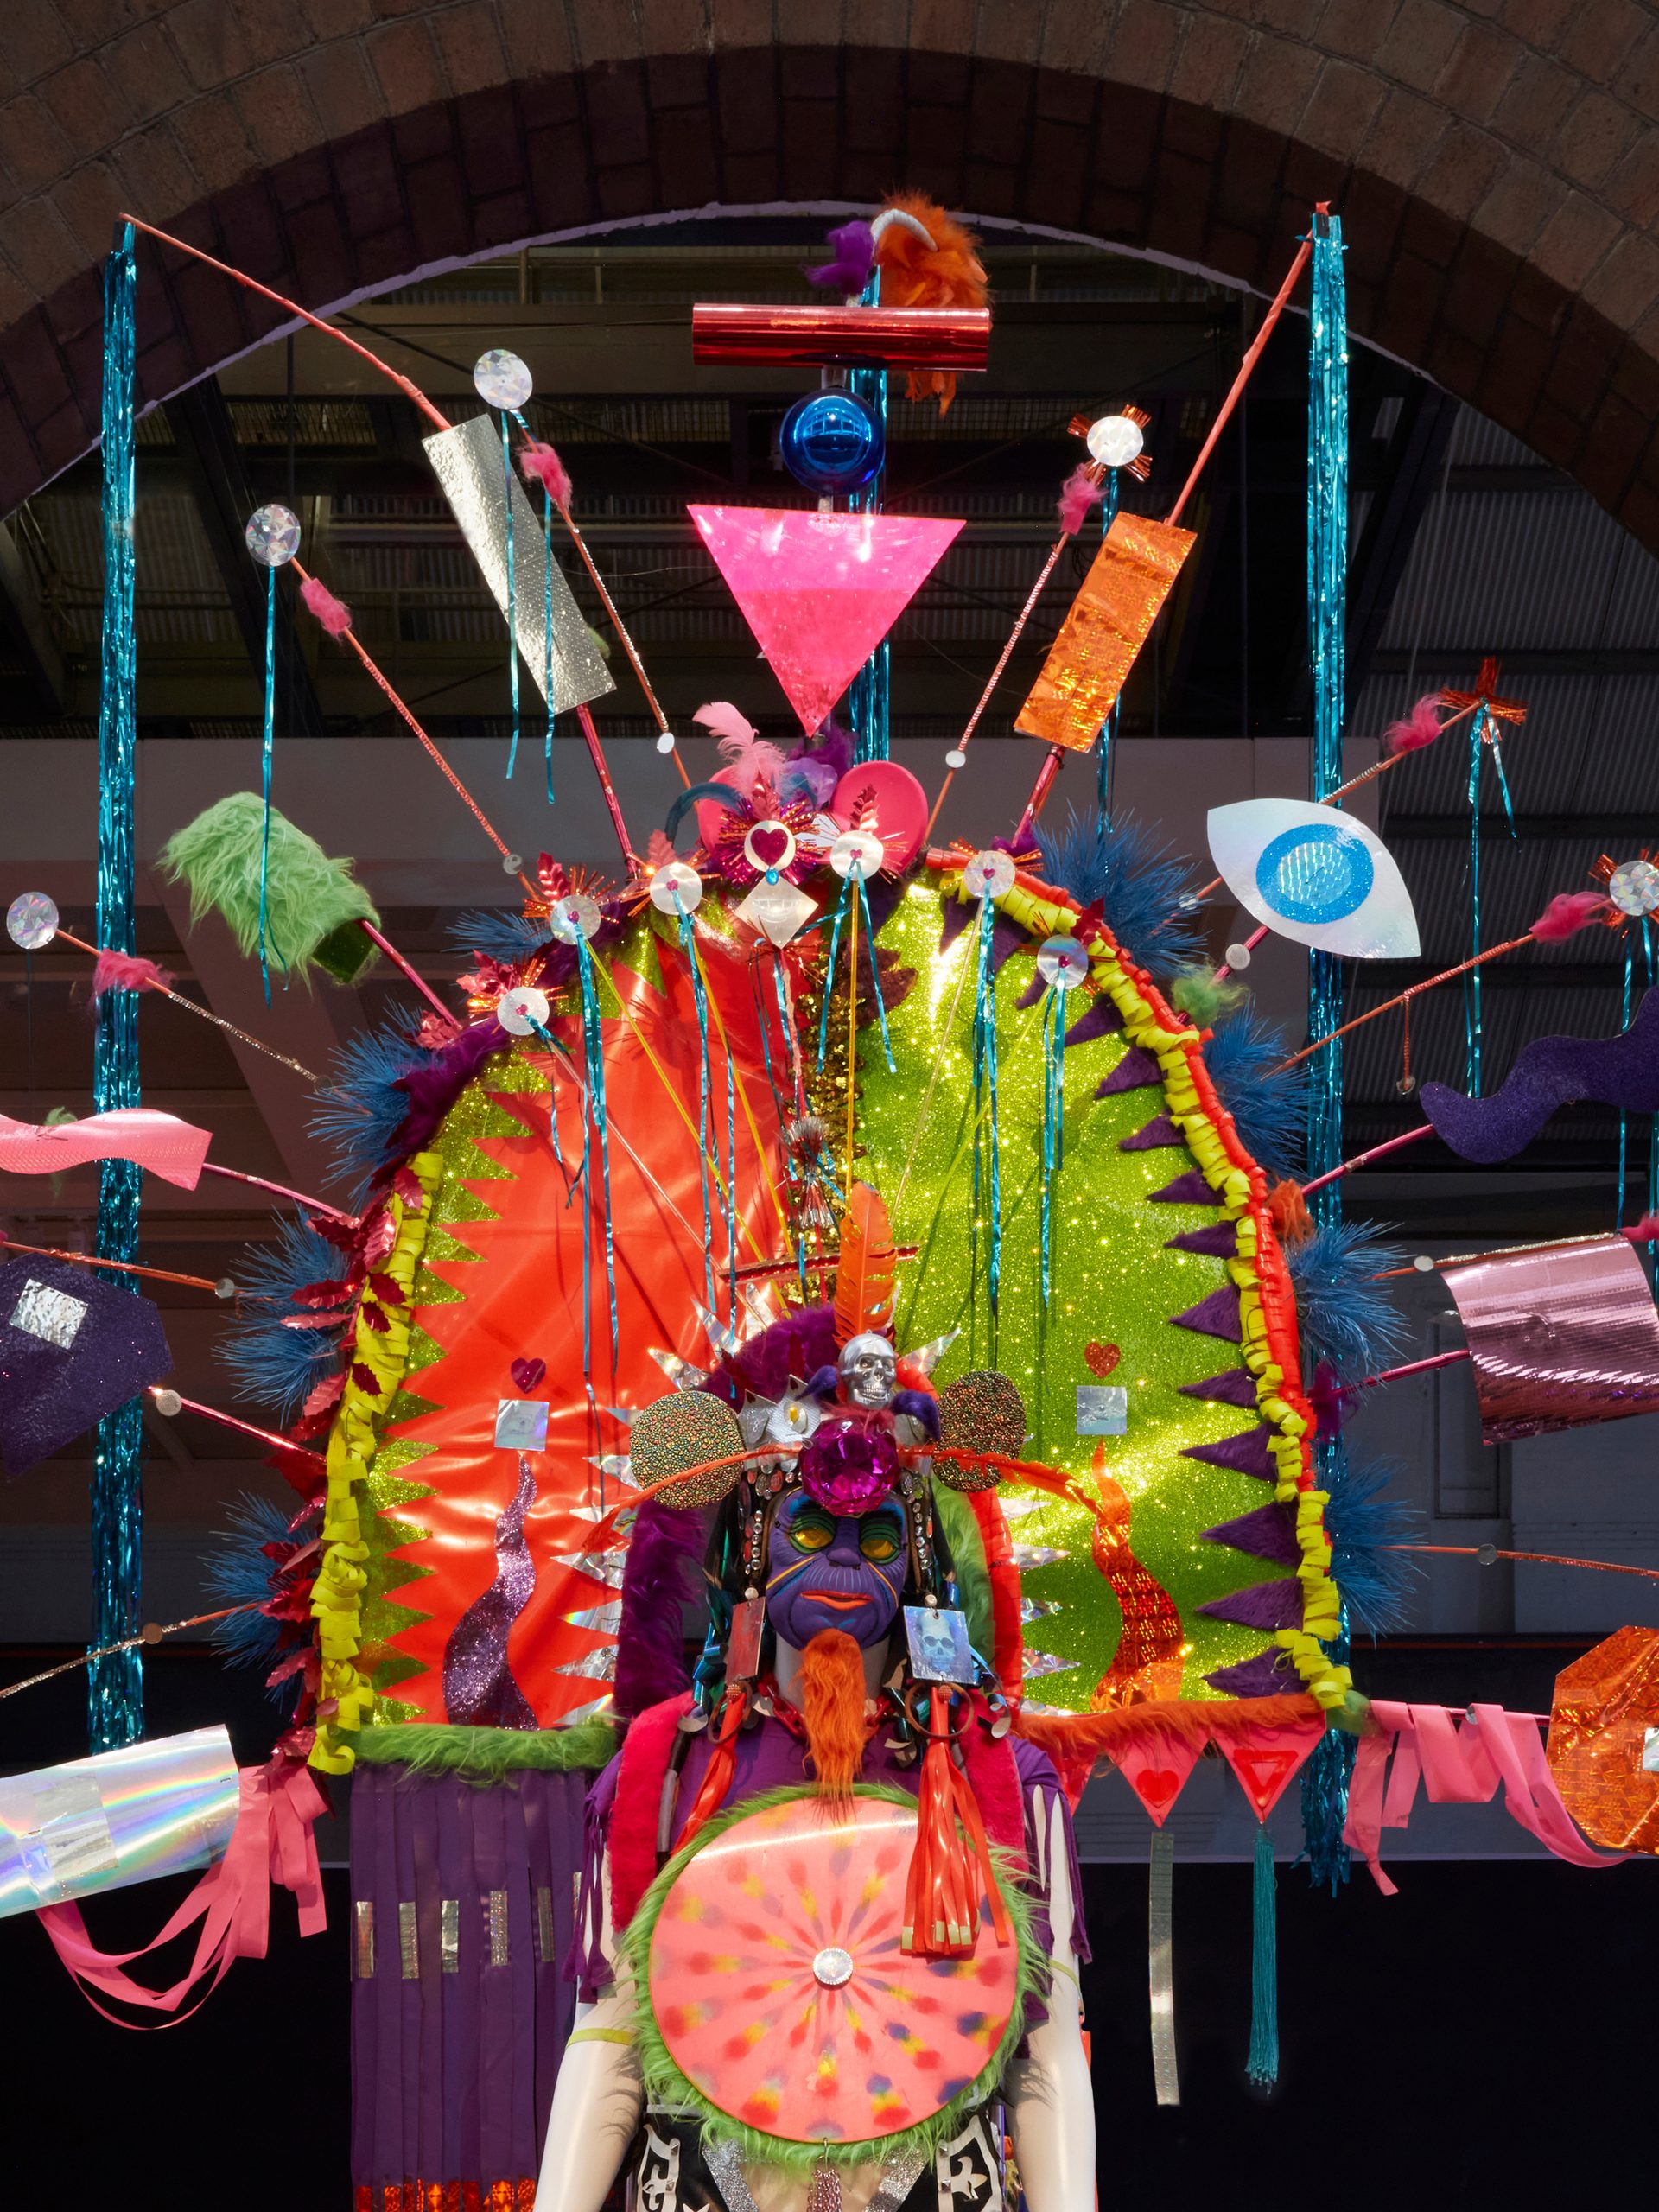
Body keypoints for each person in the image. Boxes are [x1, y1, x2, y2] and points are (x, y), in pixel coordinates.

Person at [534, 1305, 1096, 2212]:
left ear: (915, 1564)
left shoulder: (997, 1775)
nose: (841, 1567)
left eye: (874, 1544)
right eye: (808, 1536)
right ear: (753, 1547)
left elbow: (1047, 2040)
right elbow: (607, 2030)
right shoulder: (663, 1766)